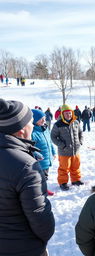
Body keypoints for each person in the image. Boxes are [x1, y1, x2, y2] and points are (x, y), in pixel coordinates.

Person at [0, 98, 55, 256]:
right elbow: (41, 221)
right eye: (30, 121)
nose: (32, 125)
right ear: (21, 129)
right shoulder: (26, 166)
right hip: (22, 248)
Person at [51, 104, 84, 191]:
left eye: (70, 113)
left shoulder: (76, 122)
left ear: (72, 113)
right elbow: (53, 137)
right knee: (64, 168)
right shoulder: (58, 124)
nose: (68, 115)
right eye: (66, 113)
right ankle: (63, 182)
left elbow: (81, 133)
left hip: (76, 150)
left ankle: (76, 180)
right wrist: (62, 145)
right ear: (62, 114)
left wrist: (80, 142)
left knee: (76, 166)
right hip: (64, 151)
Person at [31, 109, 56, 196]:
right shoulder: (32, 132)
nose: (44, 120)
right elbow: (29, 148)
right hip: (39, 161)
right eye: (41, 119)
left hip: (47, 158)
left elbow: (49, 142)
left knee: (45, 176)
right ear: (34, 120)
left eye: (44, 118)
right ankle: (41, 192)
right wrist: (36, 154)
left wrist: (53, 152)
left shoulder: (45, 129)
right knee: (39, 178)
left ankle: (44, 189)